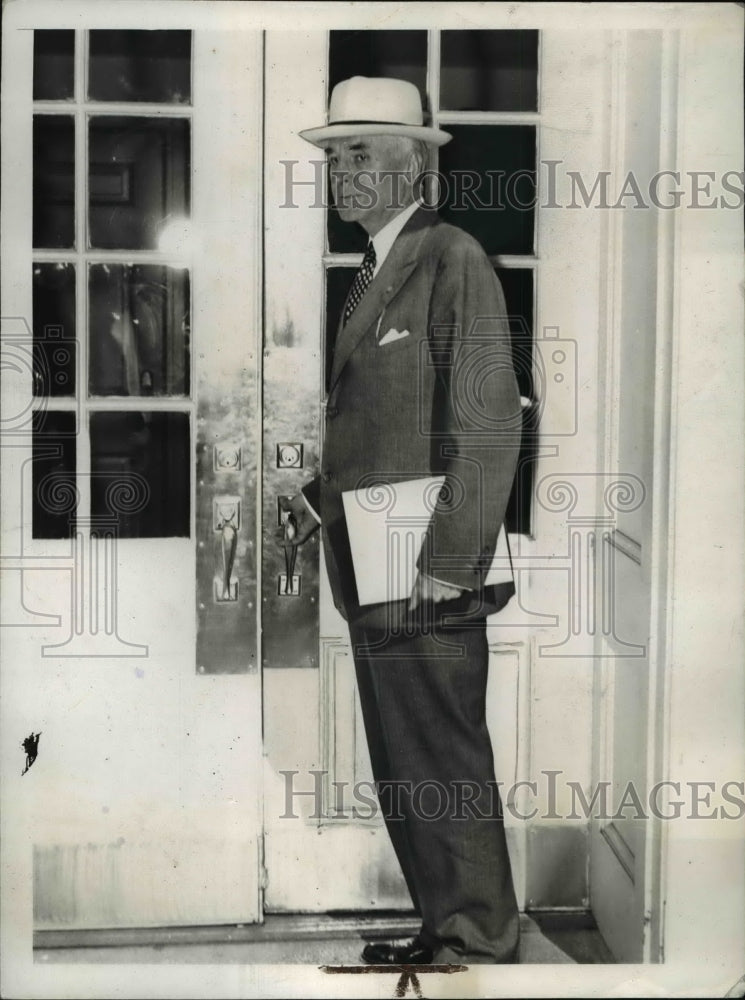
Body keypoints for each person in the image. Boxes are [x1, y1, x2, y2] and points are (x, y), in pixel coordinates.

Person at [282, 75, 523, 965]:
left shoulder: (450, 254)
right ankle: (443, 927)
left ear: (416, 166)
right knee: (405, 756)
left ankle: (479, 946)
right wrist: (315, 498)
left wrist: (450, 561)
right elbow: (385, 420)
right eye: (333, 158)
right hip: (375, 553)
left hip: (424, 562)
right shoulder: (376, 267)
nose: (340, 174)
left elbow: (489, 420)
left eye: (359, 155)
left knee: (441, 759)